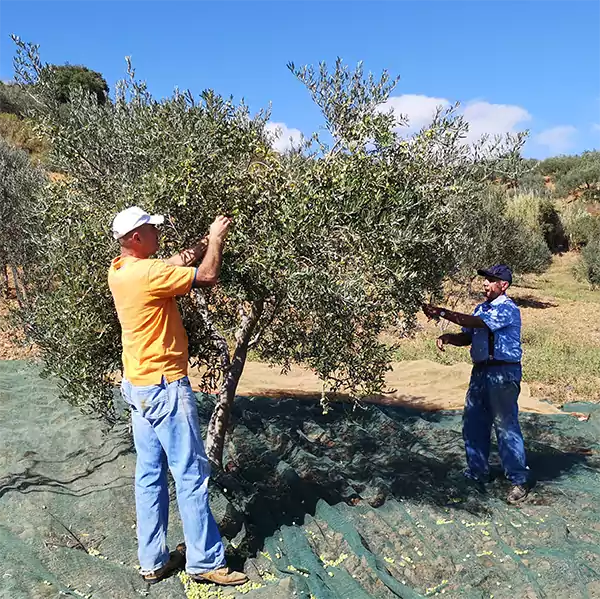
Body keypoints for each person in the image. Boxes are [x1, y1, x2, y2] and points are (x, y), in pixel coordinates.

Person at [108, 206, 248, 586]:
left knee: (149, 475)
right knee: (190, 474)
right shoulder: (148, 274)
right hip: (166, 386)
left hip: (138, 388)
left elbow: (170, 263)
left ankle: (152, 561)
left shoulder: (121, 270)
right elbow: (207, 275)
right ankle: (205, 563)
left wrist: (202, 240)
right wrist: (217, 241)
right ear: (136, 238)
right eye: (152, 229)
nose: (158, 232)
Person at [422, 264, 529, 504]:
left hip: (503, 373)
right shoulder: (481, 308)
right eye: (485, 279)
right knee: (473, 423)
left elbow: (477, 323)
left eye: (491, 280)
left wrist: (441, 312)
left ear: (504, 285)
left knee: (505, 425)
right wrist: (450, 338)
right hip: (480, 373)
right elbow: (469, 335)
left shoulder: (507, 309)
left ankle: (518, 480)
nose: (485, 283)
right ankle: (477, 472)